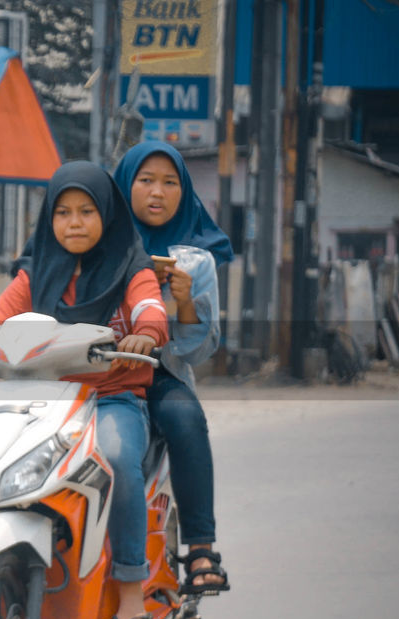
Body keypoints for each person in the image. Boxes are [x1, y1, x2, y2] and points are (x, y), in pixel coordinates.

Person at [0, 162, 169, 619]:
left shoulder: (131, 267)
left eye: (85, 211)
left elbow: (151, 310)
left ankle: (130, 590)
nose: (74, 222)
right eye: (62, 213)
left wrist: (145, 333)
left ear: (107, 215)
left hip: (111, 398)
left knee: (116, 459)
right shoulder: (34, 274)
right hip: (46, 401)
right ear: (47, 220)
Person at [114, 141, 233, 595]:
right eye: (146, 181)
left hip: (158, 372)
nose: (158, 192)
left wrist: (183, 301)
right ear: (125, 186)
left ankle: (200, 547)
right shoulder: (101, 243)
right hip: (92, 368)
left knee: (185, 417)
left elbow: (197, 350)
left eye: (171, 182)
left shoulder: (196, 260)